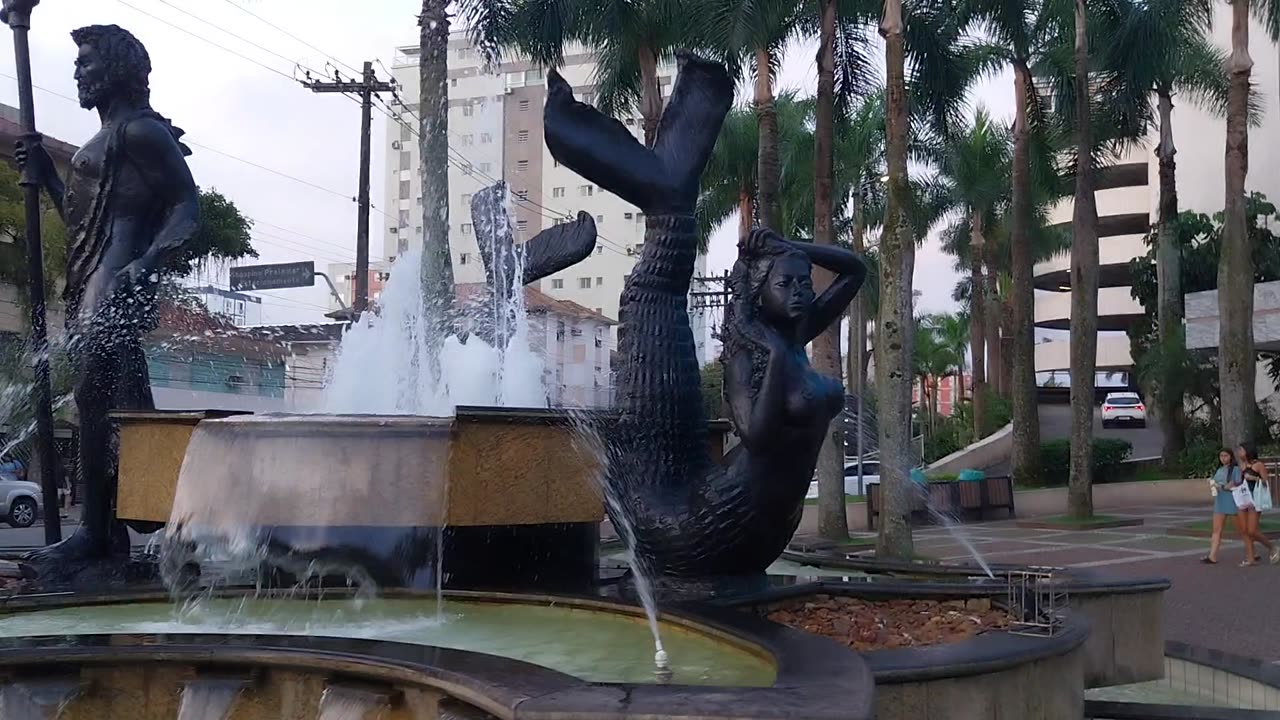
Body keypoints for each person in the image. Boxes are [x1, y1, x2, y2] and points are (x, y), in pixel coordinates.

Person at [1234, 443, 1279, 566]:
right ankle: (1250, 558)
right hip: (1243, 499)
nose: (1239, 452)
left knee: (1252, 530)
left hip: (1255, 500)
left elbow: (1266, 483)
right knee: (1244, 531)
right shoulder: (1241, 465)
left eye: (1241, 450)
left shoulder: (1258, 465)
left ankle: (1273, 547)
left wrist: (1254, 479)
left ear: (1248, 451)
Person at [1202, 449, 1244, 564]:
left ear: (1231, 457)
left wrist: (1221, 486)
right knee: (1216, 530)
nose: (1223, 458)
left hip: (1232, 501)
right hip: (1220, 501)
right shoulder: (1219, 470)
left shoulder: (1235, 470)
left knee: (1241, 529)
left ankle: (1252, 552)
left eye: (1226, 456)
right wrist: (1212, 485)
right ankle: (1212, 555)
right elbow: (1215, 483)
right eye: (1221, 456)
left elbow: (1234, 484)